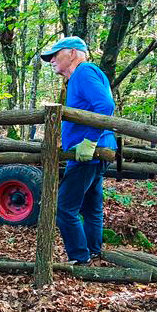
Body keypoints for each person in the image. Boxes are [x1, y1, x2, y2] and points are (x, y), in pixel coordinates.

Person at [40, 36, 116, 265]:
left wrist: (89, 141)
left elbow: (105, 106)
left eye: (55, 55)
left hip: (89, 153)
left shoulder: (84, 72)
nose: (51, 60)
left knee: (64, 208)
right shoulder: (79, 78)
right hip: (95, 151)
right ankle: (93, 253)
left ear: (72, 53)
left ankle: (80, 258)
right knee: (91, 207)